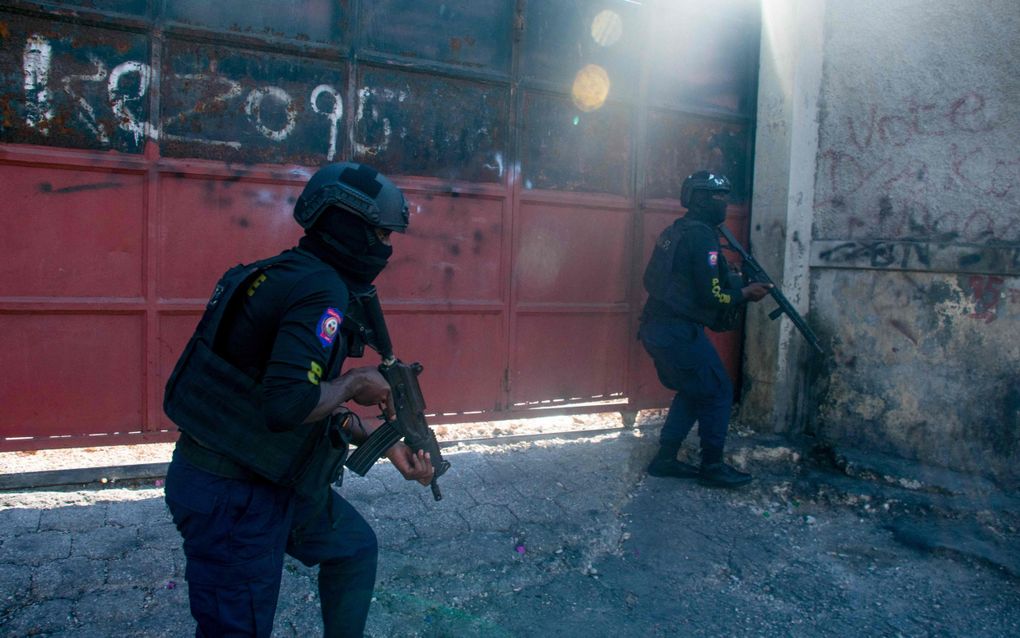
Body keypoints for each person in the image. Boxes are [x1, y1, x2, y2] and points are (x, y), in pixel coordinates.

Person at [162, 162, 434, 637]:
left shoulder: (286, 275)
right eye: (380, 234)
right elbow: (288, 404)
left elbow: (284, 398)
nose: (387, 249)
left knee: (353, 549)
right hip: (234, 496)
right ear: (345, 225)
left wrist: (380, 437)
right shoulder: (319, 289)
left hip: (265, 478)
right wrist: (353, 383)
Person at [638, 170, 771, 488]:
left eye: (725, 195)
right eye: (715, 196)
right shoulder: (701, 235)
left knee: (695, 388)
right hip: (674, 330)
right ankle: (712, 465)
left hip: (660, 327)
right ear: (696, 198)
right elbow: (712, 295)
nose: (722, 202)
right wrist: (745, 293)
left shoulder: (680, 230)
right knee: (718, 390)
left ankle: (665, 460)